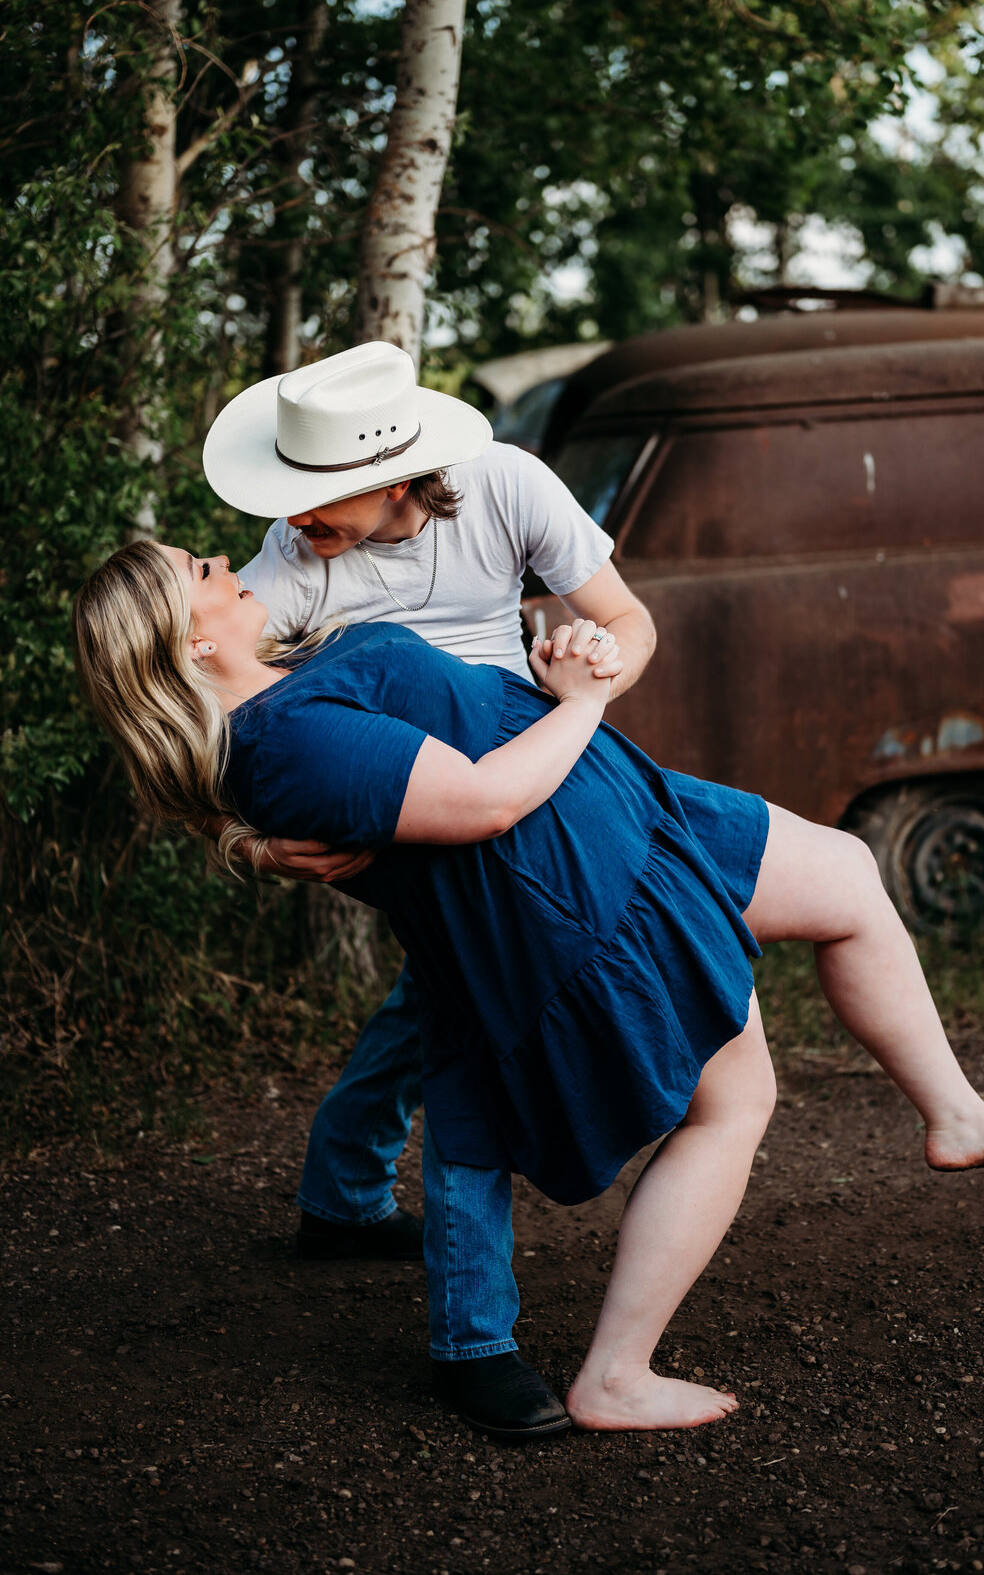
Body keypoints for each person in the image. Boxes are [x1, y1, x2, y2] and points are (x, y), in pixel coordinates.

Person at [71, 538, 984, 1435]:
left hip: (622, 807)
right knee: (734, 1100)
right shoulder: (285, 740)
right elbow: (480, 801)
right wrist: (587, 699)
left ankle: (956, 1111)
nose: (222, 564)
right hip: (572, 875)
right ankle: (616, 1371)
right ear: (191, 645)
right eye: (198, 572)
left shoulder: (283, 679)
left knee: (848, 875)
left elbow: (445, 722)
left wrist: (551, 669)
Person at [202, 342, 657, 1437]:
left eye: (318, 499)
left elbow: (631, 623)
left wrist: (590, 679)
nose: (292, 519)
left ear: (402, 473)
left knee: (438, 995)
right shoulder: (291, 555)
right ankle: (475, 1340)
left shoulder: (508, 485)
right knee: (471, 1014)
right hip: (410, 804)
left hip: (528, 759)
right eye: (287, 495)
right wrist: (253, 845)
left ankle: (340, 1197)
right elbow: (202, 711)